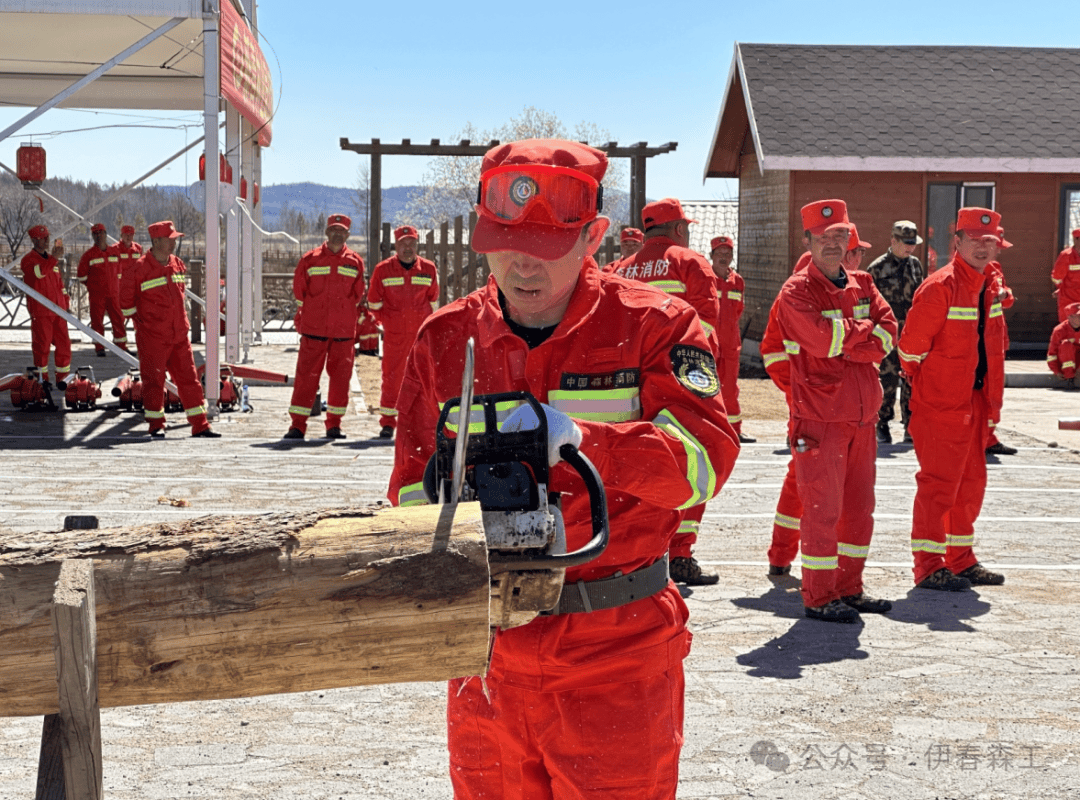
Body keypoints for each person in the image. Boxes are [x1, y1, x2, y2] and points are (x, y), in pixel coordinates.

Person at [388, 139, 740, 799]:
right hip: (486, 659)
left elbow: (702, 466)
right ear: (479, 234)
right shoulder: (445, 339)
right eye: (505, 242)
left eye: (548, 248)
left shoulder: (656, 326)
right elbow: (410, 491)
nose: (524, 266)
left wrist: (586, 441)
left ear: (593, 238)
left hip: (617, 656)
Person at [774, 200, 898, 623]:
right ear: (807, 241)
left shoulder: (863, 282)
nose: (833, 244)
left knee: (859, 510)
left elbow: (890, 332)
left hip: (863, 417)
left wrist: (850, 338)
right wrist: (862, 340)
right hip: (821, 420)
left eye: (839, 236)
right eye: (823, 238)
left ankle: (850, 588)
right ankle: (820, 595)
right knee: (823, 511)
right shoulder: (795, 292)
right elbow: (821, 341)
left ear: (849, 238)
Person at [605, 197, 723, 585]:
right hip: (677, 384)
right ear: (680, 229)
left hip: (628, 386)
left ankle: (644, 553)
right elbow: (705, 327)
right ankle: (681, 554)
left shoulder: (623, 267)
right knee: (689, 463)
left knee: (639, 466)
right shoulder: (690, 263)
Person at [898, 207, 1009, 592]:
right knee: (939, 484)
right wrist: (935, 388)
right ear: (957, 243)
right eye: (974, 241)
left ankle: (960, 560)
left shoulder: (989, 285)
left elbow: (994, 348)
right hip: (942, 404)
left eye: (989, 242)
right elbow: (910, 352)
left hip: (976, 403)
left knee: (971, 483)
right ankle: (928, 565)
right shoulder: (940, 286)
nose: (982, 248)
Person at [761, 219, 870, 577]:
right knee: (809, 492)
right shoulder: (799, 289)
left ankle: (783, 556)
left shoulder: (855, 288)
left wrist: (847, 349)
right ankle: (784, 557)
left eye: (849, 248)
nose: (853, 258)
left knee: (803, 485)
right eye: (855, 252)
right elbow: (776, 352)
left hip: (836, 406)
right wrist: (800, 392)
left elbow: (880, 335)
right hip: (812, 407)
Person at [119, 221, 218, 438]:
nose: (174, 242)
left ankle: (200, 425)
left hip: (179, 335)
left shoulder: (178, 264)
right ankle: (156, 425)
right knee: (154, 381)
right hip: (153, 338)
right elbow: (126, 306)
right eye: (170, 239)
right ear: (156, 241)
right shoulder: (138, 270)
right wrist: (146, 323)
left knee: (189, 380)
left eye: (174, 238)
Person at [283, 213, 366, 440]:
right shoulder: (310, 260)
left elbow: (358, 294)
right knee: (306, 378)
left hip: (343, 334)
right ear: (327, 233)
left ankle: (334, 426)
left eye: (342, 231)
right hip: (314, 331)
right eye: (333, 231)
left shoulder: (355, 262)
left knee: (340, 380)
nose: (337, 235)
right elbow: (300, 291)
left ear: (348, 234)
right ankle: (298, 425)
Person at [367, 224, 438, 439]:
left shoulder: (428, 269)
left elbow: (433, 298)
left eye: (412, 243)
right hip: (395, 337)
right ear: (396, 245)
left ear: (417, 244)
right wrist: (388, 322)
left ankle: (422, 422)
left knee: (424, 378)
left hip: (421, 336)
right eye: (403, 243)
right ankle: (388, 422)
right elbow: (373, 303)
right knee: (392, 378)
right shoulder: (383, 270)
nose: (408, 247)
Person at [867, 220, 924, 445]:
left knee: (910, 378)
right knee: (887, 379)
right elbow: (869, 304)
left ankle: (910, 425)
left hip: (910, 333)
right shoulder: (877, 268)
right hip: (887, 334)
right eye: (906, 243)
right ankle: (882, 424)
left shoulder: (916, 265)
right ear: (893, 241)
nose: (910, 248)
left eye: (913, 244)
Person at [710, 234, 754, 443]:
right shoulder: (705, 278)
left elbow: (738, 311)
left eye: (727, 254)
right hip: (709, 343)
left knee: (730, 387)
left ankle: (734, 430)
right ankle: (710, 428)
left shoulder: (738, 281)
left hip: (730, 344)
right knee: (708, 387)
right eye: (720, 253)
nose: (724, 257)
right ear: (712, 255)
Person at [19, 224, 71, 391]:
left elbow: (59, 283)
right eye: (44, 238)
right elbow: (39, 274)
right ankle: (42, 380)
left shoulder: (51, 259)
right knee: (42, 346)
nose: (48, 240)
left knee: (64, 345)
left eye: (48, 237)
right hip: (41, 311)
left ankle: (63, 378)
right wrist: (54, 259)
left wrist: (65, 301)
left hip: (58, 310)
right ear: (34, 240)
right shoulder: (28, 260)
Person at [985, 228, 1018, 456]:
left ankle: (989, 435)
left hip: (997, 339)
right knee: (986, 391)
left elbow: (1007, 301)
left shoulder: (994, 268)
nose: (998, 251)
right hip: (984, 341)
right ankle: (985, 437)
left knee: (995, 391)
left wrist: (1005, 293)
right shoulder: (975, 269)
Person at [77, 222, 129, 356]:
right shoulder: (88, 255)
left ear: (106, 234)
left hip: (113, 293)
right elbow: (81, 276)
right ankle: (99, 348)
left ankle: (121, 346)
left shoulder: (114, 252)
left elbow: (119, 272)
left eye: (101, 233)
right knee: (97, 320)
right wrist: (93, 286)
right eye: (95, 234)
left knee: (118, 318)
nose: (99, 236)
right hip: (97, 295)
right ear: (93, 236)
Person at [1047, 301, 1080, 388]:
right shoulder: (1059, 330)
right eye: (1079, 316)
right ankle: (1070, 378)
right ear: (1070, 317)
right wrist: (1056, 371)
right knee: (1066, 344)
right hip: (1066, 362)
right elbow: (1052, 354)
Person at [1051, 228, 1080, 322]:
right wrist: (1061, 288)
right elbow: (1057, 278)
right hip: (1069, 302)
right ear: (1075, 240)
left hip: (1069, 299)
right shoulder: (1066, 256)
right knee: (1068, 331)